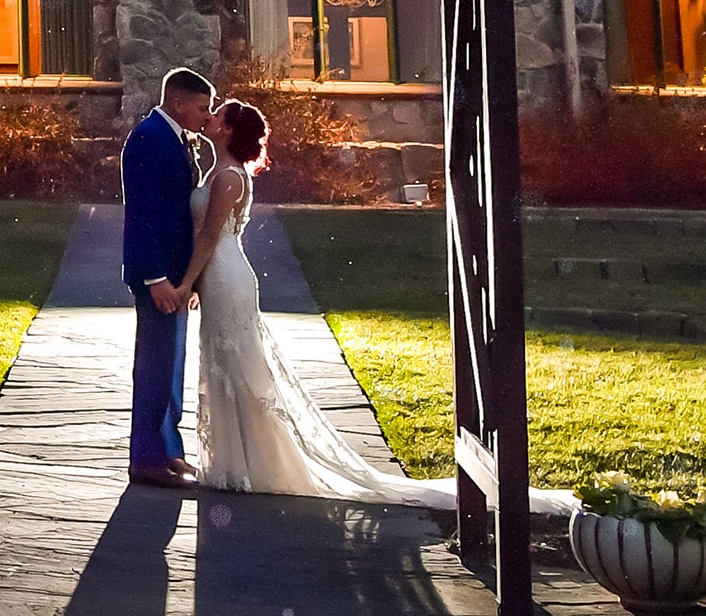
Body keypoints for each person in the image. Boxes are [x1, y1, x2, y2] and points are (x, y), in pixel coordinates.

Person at [177, 98, 575, 513]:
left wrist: (187, 282)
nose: (210, 117)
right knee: (227, 364)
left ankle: (246, 465)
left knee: (237, 367)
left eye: (216, 114)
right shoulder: (220, 171)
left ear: (226, 130)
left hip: (226, 276)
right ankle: (233, 461)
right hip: (222, 276)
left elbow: (208, 237)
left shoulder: (226, 178)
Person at [119, 66, 217, 485]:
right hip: (157, 275)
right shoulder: (147, 140)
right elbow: (143, 216)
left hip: (177, 275)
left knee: (171, 362)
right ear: (177, 102)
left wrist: (188, 279)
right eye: (201, 107)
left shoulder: (174, 138)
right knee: (155, 365)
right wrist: (156, 278)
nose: (207, 117)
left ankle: (169, 451)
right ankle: (146, 460)